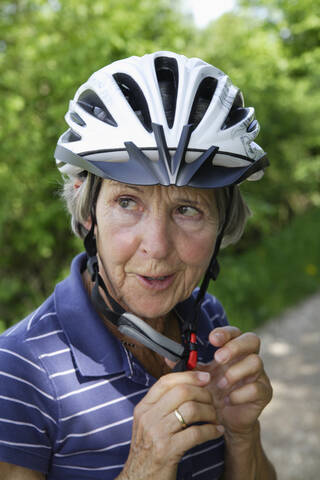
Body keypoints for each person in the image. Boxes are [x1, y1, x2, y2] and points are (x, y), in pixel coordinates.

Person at [0, 51, 276, 479]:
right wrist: (144, 467)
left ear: (223, 227)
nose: (158, 247)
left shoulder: (207, 319)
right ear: (87, 211)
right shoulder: (18, 372)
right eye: (127, 202)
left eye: (188, 209)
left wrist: (243, 434)